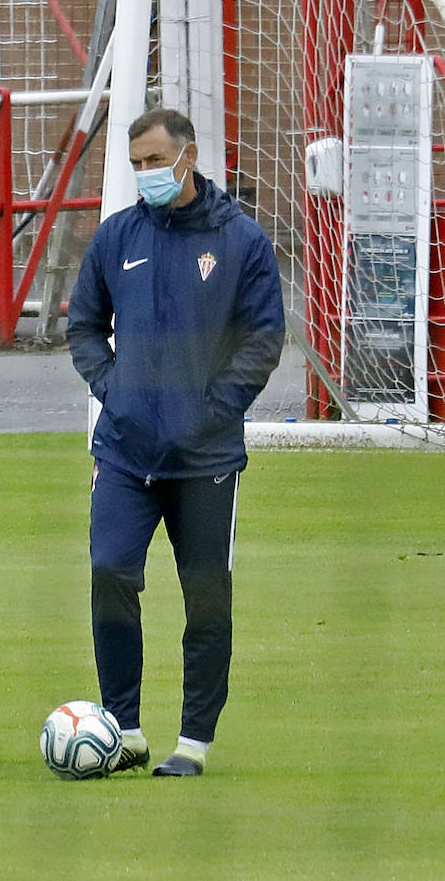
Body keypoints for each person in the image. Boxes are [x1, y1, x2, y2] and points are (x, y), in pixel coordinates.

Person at [66, 108, 285, 777]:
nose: (145, 175)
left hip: (207, 460)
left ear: (188, 157)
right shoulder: (114, 239)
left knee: (206, 598)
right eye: (135, 164)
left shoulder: (242, 241)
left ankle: (192, 744)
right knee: (109, 575)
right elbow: (82, 327)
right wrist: (117, 391)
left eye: (155, 161)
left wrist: (215, 410)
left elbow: (263, 338)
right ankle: (123, 732)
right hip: (126, 454)